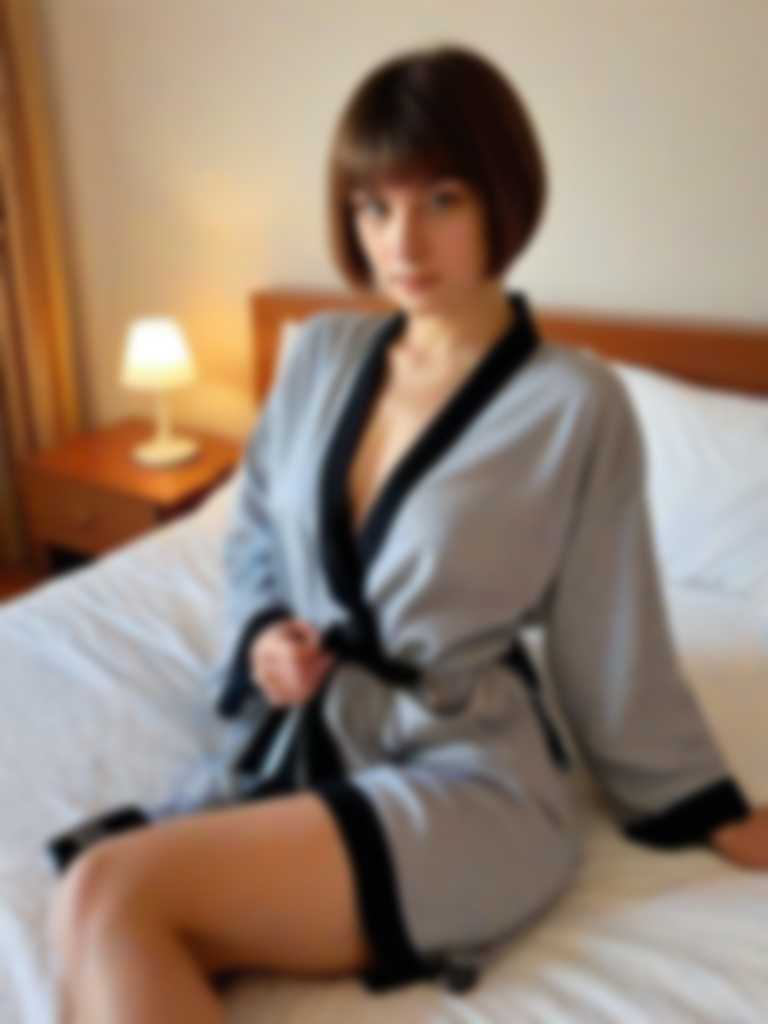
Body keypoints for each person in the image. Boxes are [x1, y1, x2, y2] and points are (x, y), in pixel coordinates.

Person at [47, 42, 768, 1023]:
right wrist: (263, 639)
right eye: (373, 207)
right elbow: (255, 531)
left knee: (112, 892)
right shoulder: (321, 354)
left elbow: (612, 641)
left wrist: (706, 806)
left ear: (502, 197)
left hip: (465, 778)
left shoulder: (573, 404)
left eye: (442, 200)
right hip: (316, 733)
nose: (403, 242)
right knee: (89, 904)